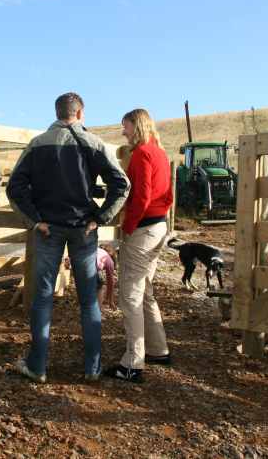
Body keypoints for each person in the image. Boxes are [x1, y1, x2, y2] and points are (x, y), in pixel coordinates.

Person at [7, 92, 129, 383]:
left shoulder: (38, 144)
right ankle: (92, 368)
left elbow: (15, 187)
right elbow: (121, 184)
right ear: (80, 113)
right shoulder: (93, 143)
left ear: (57, 112)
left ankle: (37, 366)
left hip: (48, 229)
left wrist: (35, 220)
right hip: (83, 229)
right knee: (88, 300)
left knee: (42, 298)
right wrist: (100, 218)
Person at [104, 108, 173, 383]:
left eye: (126, 126)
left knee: (130, 295)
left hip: (143, 229)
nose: (124, 132)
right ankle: (158, 349)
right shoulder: (160, 152)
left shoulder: (143, 153)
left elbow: (142, 196)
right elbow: (165, 194)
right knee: (145, 290)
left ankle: (133, 364)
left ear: (138, 125)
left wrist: (128, 227)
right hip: (158, 226)